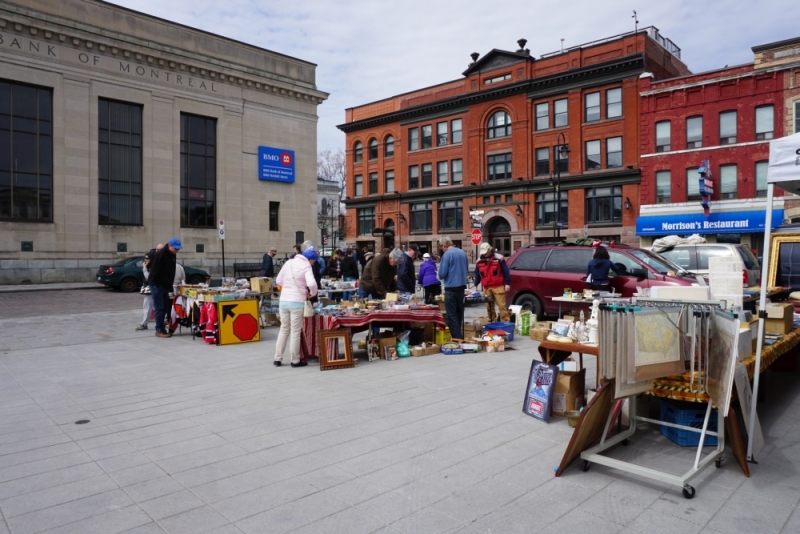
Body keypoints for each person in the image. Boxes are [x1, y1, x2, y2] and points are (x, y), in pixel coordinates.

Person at [273, 248, 318, 367]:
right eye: (313, 261)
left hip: (283, 301)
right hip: (297, 302)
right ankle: (295, 360)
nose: (313, 264)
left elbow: (278, 280)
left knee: (284, 329)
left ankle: (277, 358)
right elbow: (312, 284)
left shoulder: (289, 262)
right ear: (310, 259)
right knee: (295, 331)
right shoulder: (306, 266)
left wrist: (288, 287)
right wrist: (312, 293)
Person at [147, 238, 180, 338]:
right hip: (157, 284)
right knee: (159, 307)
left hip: (165, 284)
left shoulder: (172, 254)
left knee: (166, 306)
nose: (177, 250)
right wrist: (159, 283)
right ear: (169, 246)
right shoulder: (161, 254)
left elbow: (171, 270)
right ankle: (159, 329)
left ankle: (163, 327)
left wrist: (169, 284)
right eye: (175, 248)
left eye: (178, 249)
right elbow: (155, 270)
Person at [437, 236, 469, 339]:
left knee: (452, 315)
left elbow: (442, 274)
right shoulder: (462, 253)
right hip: (461, 287)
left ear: (444, 245)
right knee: (459, 313)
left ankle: (458, 339)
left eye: (441, 247)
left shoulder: (447, 255)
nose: (442, 249)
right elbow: (466, 269)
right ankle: (459, 336)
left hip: (451, 288)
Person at [474, 242, 511, 323]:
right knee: (489, 307)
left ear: (489, 250)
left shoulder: (499, 258)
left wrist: (507, 283)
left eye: (486, 251)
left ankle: (505, 323)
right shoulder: (479, 261)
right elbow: (477, 274)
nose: (484, 254)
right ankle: (492, 322)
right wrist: (475, 285)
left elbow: (506, 272)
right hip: (487, 287)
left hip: (498, 286)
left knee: (502, 306)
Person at [136, 252, 154, 331]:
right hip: (151, 289)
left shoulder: (151, 267)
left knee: (147, 306)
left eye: (147, 258)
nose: (145, 260)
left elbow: (148, 278)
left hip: (152, 289)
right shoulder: (150, 266)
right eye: (145, 258)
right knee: (152, 306)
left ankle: (144, 323)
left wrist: (144, 268)